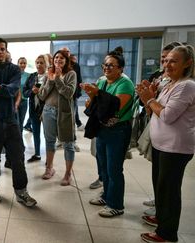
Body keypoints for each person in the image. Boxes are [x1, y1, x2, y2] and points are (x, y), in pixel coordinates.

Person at [137, 44, 195, 243]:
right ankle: (161, 218)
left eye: (173, 61)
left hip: (176, 148)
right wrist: (149, 99)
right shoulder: (170, 83)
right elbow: (153, 111)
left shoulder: (187, 85)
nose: (167, 64)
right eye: (166, 60)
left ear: (188, 63)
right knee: (160, 187)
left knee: (169, 191)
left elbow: (168, 116)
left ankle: (167, 233)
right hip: (162, 146)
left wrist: (150, 98)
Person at [0, 37, 37, 207]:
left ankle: (21, 192)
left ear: (6, 50)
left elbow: (12, 90)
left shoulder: (14, 70)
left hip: (11, 121)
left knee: (18, 157)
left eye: (2, 49)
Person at [82, 47, 135, 218]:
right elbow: (91, 106)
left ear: (121, 68)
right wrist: (91, 96)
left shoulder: (125, 83)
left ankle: (116, 204)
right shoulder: (103, 81)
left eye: (111, 65)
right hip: (102, 128)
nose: (107, 68)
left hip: (118, 130)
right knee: (103, 166)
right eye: (105, 65)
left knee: (114, 169)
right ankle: (106, 196)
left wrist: (97, 94)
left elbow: (115, 106)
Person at [37, 50, 76, 185]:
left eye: (61, 58)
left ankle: (68, 174)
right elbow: (41, 95)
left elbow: (69, 93)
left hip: (64, 112)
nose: (58, 59)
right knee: (49, 141)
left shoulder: (71, 74)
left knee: (68, 144)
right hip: (48, 111)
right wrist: (51, 81)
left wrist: (58, 79)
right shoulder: (49, 74)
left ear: (66, 61)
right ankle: (49, 168)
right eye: (56, 57)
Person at [23, 55, 49, 163]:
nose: (39, 65)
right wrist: (31, 92)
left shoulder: (49, 77)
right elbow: (24, 92)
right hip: (34, 109)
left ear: (46, 64)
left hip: (46, 109)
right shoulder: (32, 76)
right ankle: (37, 154)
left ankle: (49, 157)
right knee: (36, 133)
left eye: (41, 62)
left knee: (47, 135)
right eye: (37, 62)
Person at [16, 57, 30, 133]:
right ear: (17, 64)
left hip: (24, 101)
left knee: (21, 123)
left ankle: (20, 142)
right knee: (16, 123)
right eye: (21, 63)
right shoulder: (14, 75)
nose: (22, 65)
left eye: (24, 63)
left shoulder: (28, 75)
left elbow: (29, 89)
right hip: (15, 101)